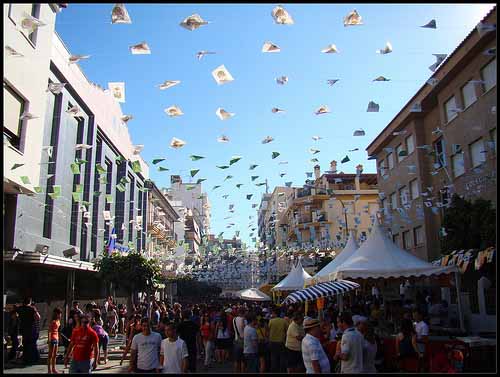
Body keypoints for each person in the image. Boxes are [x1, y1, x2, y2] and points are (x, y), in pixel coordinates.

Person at [16, 297, 39, 365]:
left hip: (23, 329)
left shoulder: (20, 308)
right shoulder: (32, 308)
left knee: (25, 344)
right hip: (31, 328)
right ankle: (34, 359)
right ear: (30, 302)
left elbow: (15, 316)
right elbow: (38, 317)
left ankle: (26, 359)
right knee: (32, 344)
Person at [268, 307, 288, 373]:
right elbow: (287, 330)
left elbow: (268, 330)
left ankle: (274, 371)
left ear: (274, 313)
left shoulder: (271, 321)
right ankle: (281, 371)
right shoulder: (284, 321)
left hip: (272, 342)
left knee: (273, 358)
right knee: (282, 358)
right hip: (281, 342)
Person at [47, 307, 63, 374]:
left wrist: (59, 338)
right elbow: (49, 331)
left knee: (55, 355)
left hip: (56, 338)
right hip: (52, 339)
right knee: (50, 355)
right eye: (59, 313)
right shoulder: (53, 321)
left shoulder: (58, 321)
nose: (60, 315)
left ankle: (53, 369)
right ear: (56, 314)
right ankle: (49, 370)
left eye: (60, 313)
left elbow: (58, 331)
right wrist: (49, 340)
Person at [232, 308, 247, 373]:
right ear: (244, 313)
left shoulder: (234, 319)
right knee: (243, 360)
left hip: (236, 340)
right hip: (244, 341)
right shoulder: (245, 320)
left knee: (236, 360)